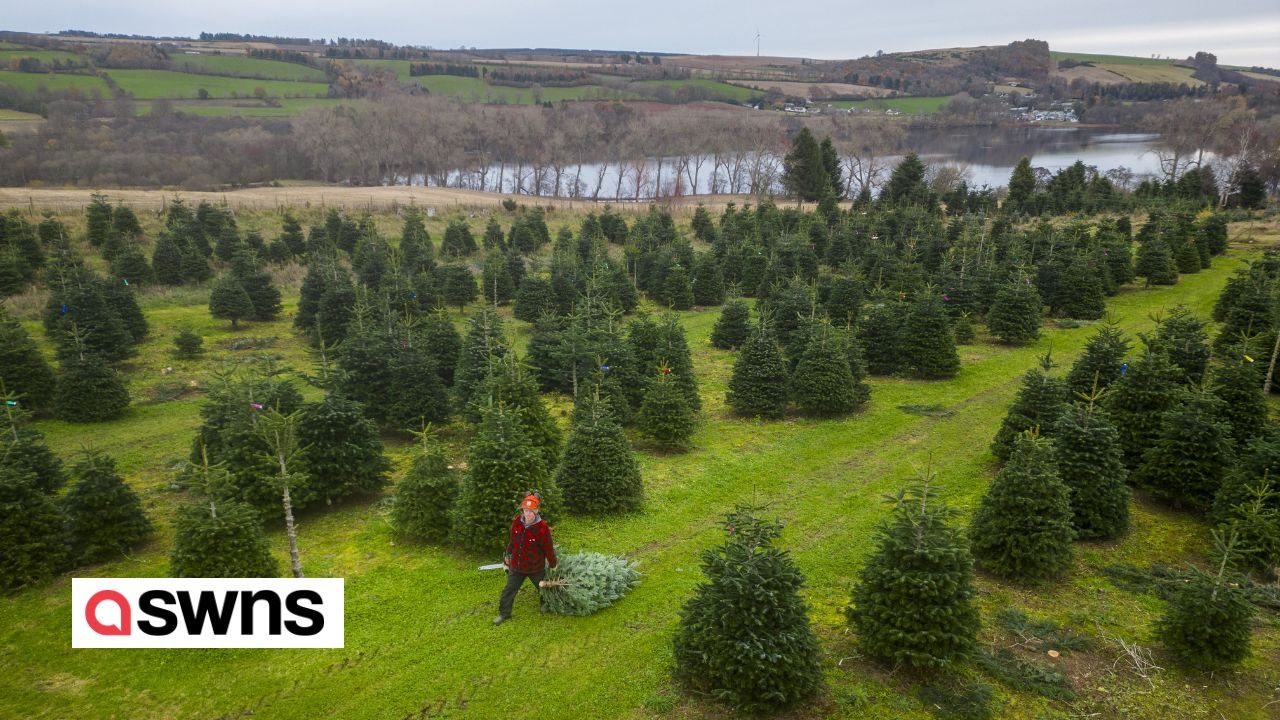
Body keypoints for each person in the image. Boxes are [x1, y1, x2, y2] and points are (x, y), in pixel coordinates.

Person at [494, 492, 557, 625]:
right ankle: (504, 614)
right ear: (522, 510)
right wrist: (507, 558)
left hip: (535, 566)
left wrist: (553, 564)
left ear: (536, 511)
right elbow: (512, 541)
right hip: (517, 565)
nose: (527, 514)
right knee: (509, 589)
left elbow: (548, 548)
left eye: (530, 511)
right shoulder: (517, 521)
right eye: (525, 510)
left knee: (543, 588)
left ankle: (545, 604)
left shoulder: (542, 528)